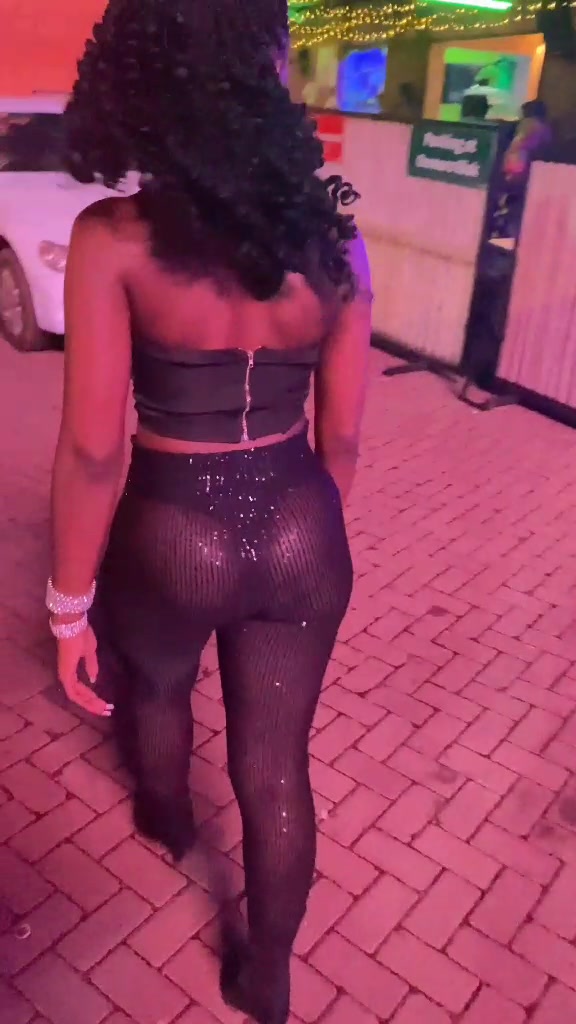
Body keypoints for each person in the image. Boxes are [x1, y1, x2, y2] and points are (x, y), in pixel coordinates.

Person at [48, 1, 371, 1022]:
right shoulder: (337, 242)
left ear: (142, 77)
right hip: (302, 519)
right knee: (276, 766)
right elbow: (343, 438)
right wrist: (303, 527)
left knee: (155, 682)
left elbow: (94, 449)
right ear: (269, 69)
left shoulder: (114, 238)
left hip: (173, 524)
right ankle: (267, 974)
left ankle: (167, 818)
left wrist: (66, 607)